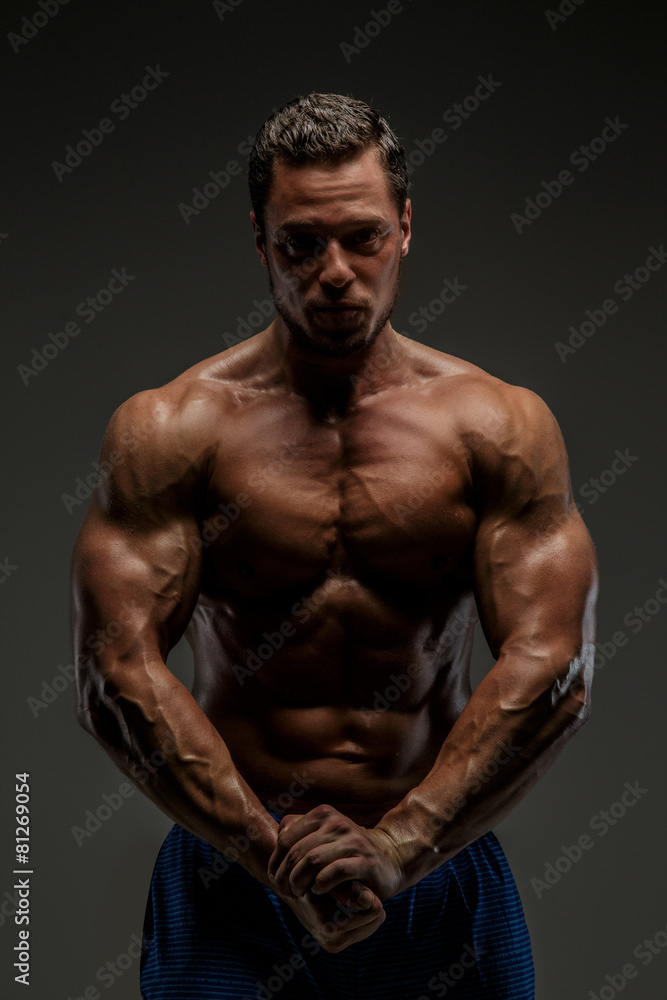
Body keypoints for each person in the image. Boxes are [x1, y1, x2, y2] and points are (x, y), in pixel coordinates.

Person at [72, 93, 598, 999]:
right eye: (300, 244)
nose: (335, 273)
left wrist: (397, 846)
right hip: (234, 878)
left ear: (404, 226)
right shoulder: (171, 431)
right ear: (258, 239)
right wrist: (270, 856)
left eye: (360, 237)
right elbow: (114, 675)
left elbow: (554, 667)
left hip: (435, 869)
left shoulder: (497, 427)